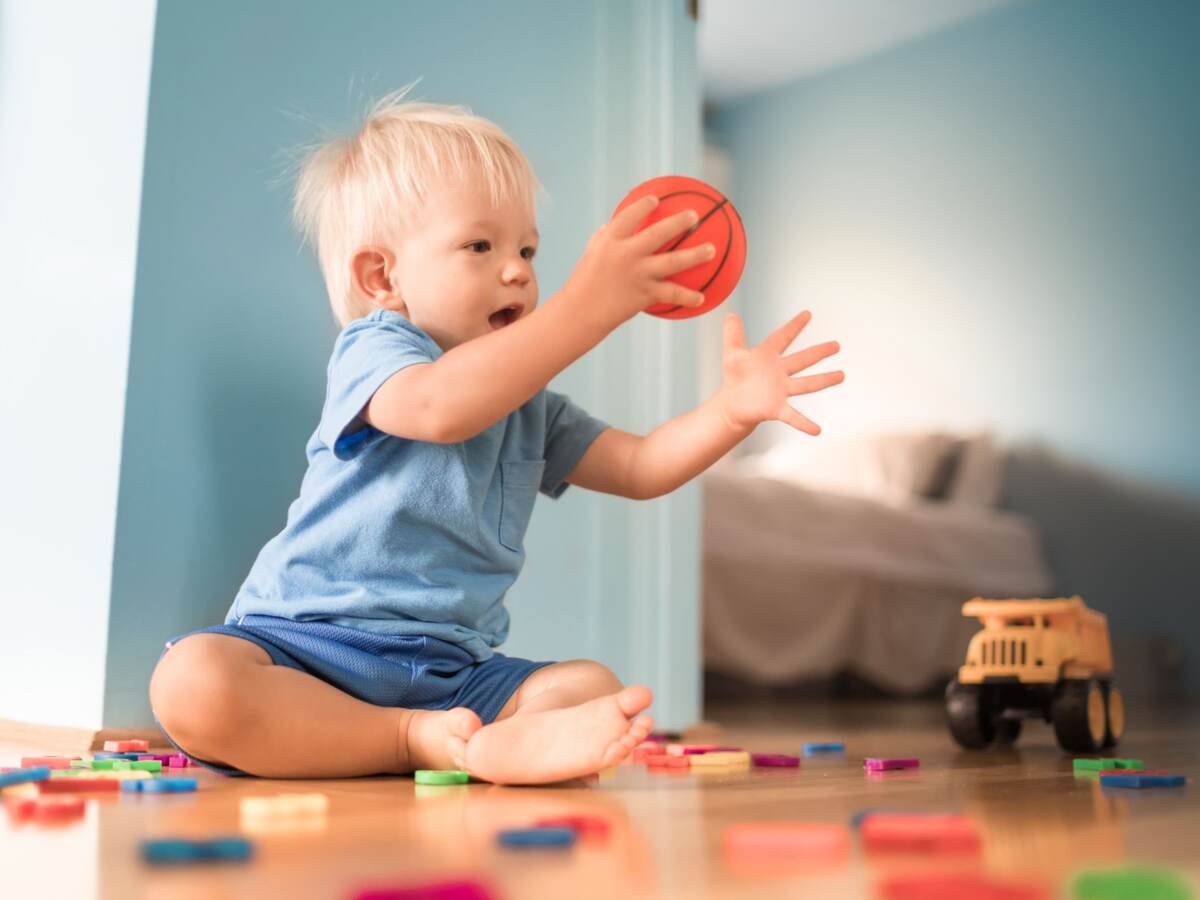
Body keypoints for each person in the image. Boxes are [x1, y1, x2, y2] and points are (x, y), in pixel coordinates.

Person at [149, 88, 844, 783]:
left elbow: (639, 467)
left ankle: (466, 740)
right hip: (305, 649)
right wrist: (588, 306)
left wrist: (731, 410)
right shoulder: (377, 350)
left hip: (454, 671)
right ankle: (406, 739)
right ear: (381, 276)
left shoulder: (528, 406)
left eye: (528, 249)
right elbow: (439, 408)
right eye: (480, 245)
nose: (517, 269)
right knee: (191, 681)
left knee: (590, 687)